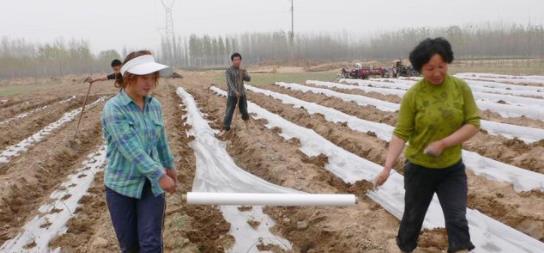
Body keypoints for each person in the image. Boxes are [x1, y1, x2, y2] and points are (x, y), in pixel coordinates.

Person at [373, 38, 480, 253]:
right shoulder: (414, 95)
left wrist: (444, 143)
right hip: (420, 169)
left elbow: (473, 123)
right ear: (420, 68)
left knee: (457, 219)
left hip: (452, 169)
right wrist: (386, 168)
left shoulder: (460, 88)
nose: (437, 73)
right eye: (430, 68)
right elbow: (401, 133)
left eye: (441, 66)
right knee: (413, 218)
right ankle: (405, 248)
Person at [101, 50, 176, 253]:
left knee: (151, 244)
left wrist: (169, 166)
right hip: (120, 187)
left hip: (151, 186)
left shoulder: (155, 106)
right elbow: (131, 150)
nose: (149, 83)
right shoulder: (114, 109)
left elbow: (161, 141)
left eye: (152, 77)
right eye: (144, 77)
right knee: (130, 246)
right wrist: (159, 174)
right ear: (128, 77)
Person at [222, 52, 251, 132]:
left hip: (242, 94)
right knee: (229, 111)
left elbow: (248, 79)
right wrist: (235, 91)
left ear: (240, 60)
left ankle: (247, 125)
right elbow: (230, 83)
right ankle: (226, 128)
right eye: (235, 60)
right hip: (232, 95)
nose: (237, 61)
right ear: (232, 61)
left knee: (244, 111)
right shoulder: (228, 71)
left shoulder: (242, 70)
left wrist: (245, 73)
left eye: (238, 59)